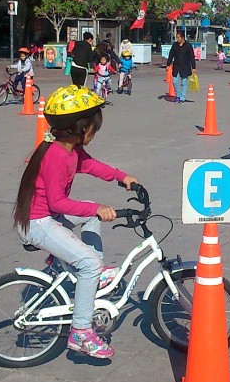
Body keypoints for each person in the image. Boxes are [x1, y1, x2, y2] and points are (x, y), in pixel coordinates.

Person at [13, 85, 139, 358]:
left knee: (90, 219)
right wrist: (97, 207)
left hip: (46, 217)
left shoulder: (68, 149)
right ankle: (81, 332)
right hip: (38, 223)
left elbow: (91, 165)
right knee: (89, 261)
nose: (95, 133)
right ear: (79, 128)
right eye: (94, 128)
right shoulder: (56, 156)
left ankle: (88, 271)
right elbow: (58, 202)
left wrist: (122, 176)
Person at [166, 30, 196, 104]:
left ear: (182, 38)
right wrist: (168, 64)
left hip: (185, 67)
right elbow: (171, 55)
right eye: (176, 38)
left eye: (178, 38)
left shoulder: (188, 45)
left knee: (184, 83)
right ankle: (178, 96)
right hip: (176, 66)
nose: (177, 39)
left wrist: (193, 67)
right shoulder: (175, 45)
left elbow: (192, 57)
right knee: (174, 81)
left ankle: (182, 97)